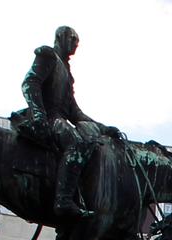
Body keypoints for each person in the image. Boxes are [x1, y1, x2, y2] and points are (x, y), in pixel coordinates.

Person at [14, 25, 121, 224]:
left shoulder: (67, 72)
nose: (75, 45)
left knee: (91, 144)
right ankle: (63, 200)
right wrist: (39, 114)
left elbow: (74, 111)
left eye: (77, 42)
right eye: (72, 40)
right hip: (48, 118)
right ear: (61, 37)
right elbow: (30, 83)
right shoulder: (48, 55)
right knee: (78, 144)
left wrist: (103, 128)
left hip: (60, 119)